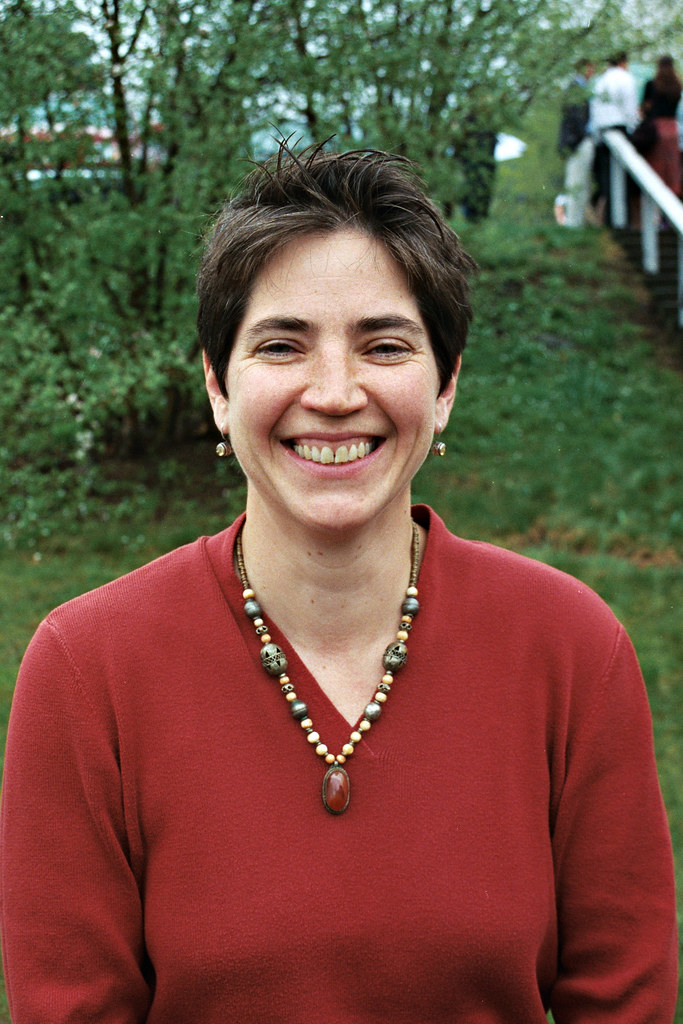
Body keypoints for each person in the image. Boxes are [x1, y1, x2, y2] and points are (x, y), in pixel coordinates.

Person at [0, 143, 677, 1022]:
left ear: (445, 385)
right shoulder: (87, 670)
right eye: (281, 345)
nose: (333, 392)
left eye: (384, 345)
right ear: (217, 385)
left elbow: (622, 999)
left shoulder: (571, 650)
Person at [591, 52, 640, 224]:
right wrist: (633, 129)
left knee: (607, 180)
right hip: (619, 130)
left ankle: (611, 220)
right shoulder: (625, 78)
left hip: (602, 134)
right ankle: (622, 221)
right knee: (623, 180)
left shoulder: (600, 80)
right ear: (623, 62)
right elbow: (630, 109)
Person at [558, 59, 596, 227]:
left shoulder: (579, 88)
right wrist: (581, 137)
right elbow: (575, 118)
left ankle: (576, 223)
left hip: (578, 141)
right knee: (576, 183)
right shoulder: (576, 89)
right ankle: (573, 223)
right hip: (578, 143)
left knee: (580, 184)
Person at [641, 55, 682, 197]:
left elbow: (645, 108)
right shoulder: (677, 86)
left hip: (656, 129)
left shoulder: (652, 84)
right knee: (672, 169)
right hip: (673, 129)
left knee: (656, 167)